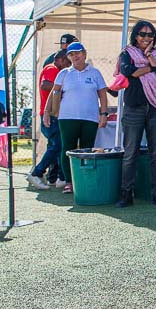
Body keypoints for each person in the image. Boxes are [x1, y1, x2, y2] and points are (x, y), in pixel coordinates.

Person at [115, 21, 156, 208]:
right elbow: (127, 71)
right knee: (130, 153)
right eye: (142, 34)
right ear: (135, 36)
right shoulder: (126, 53)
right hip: (134, 108)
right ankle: (126, 194)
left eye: (150, 35)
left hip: (155, 108)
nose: (146, 38)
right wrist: (151, 67)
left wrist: (148, 59)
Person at [44, 42, 110, 196]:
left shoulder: (95, 73)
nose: (75, 56)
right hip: (67, 117)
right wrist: (47, 112)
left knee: (87, 149)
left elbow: (102, 94)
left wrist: (103, 114)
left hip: (90, 118)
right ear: (68, 57)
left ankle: (84, 181)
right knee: (67, 148)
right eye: (71, 54)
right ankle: (68, 182)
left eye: (78, 53)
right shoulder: (64, 73)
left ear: (85, 54)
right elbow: (54, 92)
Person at [27, 50, 68, 190]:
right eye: (68, 62)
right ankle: (37, 172)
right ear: (61, 59)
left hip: (52, 114)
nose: (69, 66)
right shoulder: (52, 68)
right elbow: (45, 84)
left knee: (57, 146)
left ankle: (56, 177)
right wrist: (65, 88)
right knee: (57, 146)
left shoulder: (55, 70)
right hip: (50, 115)